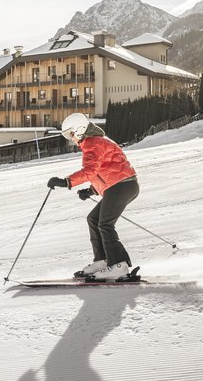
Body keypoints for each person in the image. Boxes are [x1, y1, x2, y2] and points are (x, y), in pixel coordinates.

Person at [47, 113, 139, 281]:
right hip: (120, 185)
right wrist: (92, 191)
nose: (71, 139)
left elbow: (90, 172)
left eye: (71, 134)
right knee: (93, 219)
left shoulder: (93, 143)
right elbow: (103, 172)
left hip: (122, 185)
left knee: (105, 224)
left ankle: (119, 265)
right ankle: (103, 261)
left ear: (80, 130)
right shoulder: (94, 142)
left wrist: (65, 182)